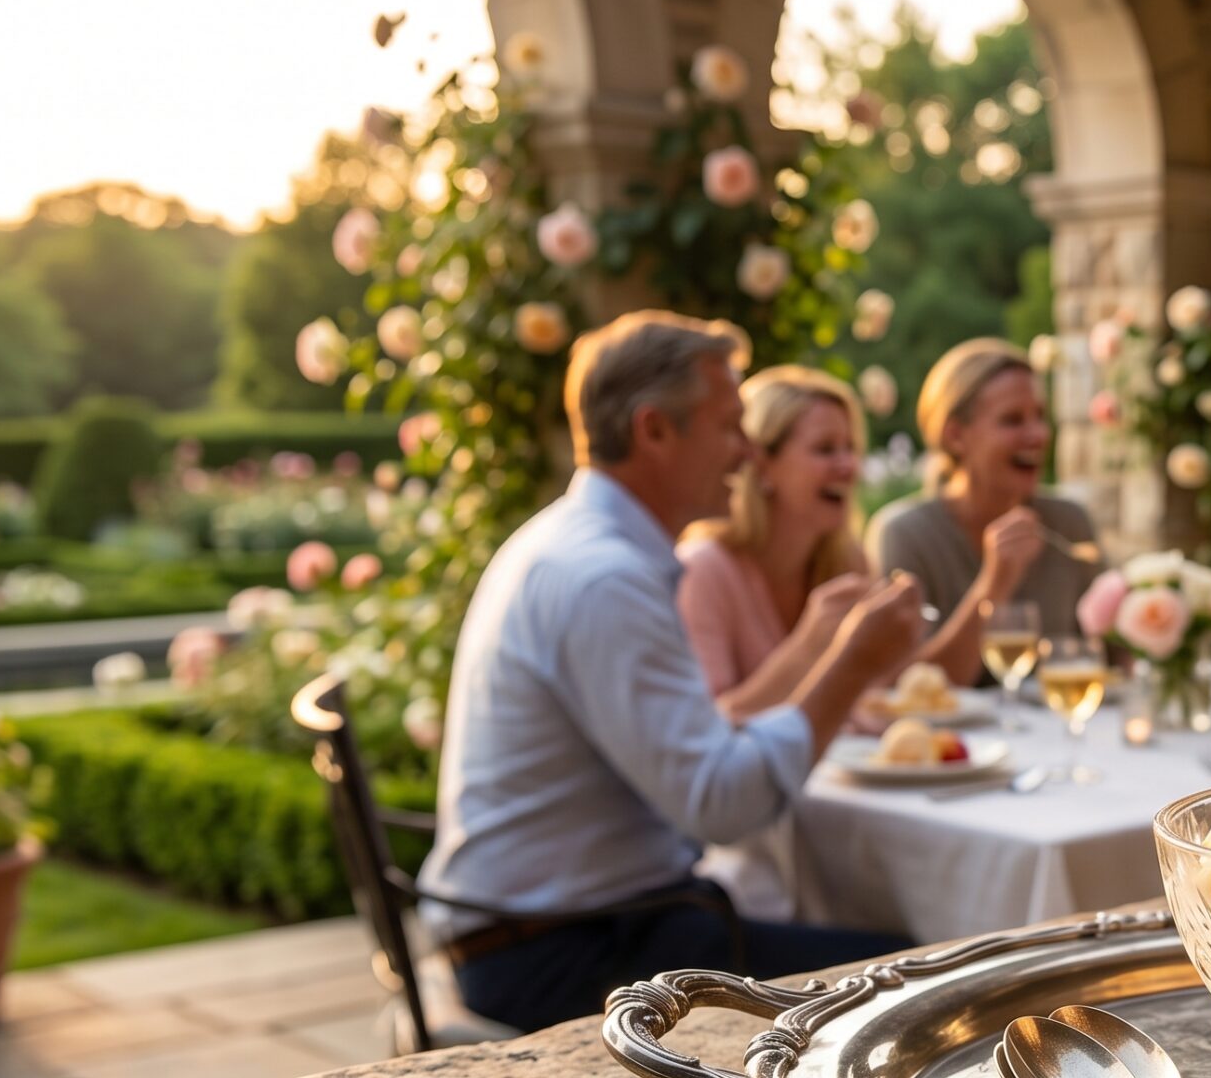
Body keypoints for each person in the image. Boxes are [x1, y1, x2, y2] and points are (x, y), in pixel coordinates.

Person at [420, 311, 923, 1033]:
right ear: (655, 430)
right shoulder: (605, 579)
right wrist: (849, 665)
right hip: (564, 952)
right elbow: (721, 803)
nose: (747, 452)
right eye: (728, 426)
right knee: (909, 976)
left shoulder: (573, 546)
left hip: (570, 926)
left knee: (881, 947)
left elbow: (704, 759)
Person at [677, 365, 990, 711]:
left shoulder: (846, 561)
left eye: (850, 448)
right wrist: (809, 646)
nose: (848, 466)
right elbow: (711, 726)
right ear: (762, 465)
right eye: (825, 449)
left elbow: (881, 693)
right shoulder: (704, 570)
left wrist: (896, 643)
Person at [865, 338, 1102, 677]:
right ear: (955, 436)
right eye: (1012, 420)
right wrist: (994, 583)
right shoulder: (904, 534)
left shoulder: (1070, 523)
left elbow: (1113, 657)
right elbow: (908, 685)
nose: (1037, 435)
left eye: (1040, 416)